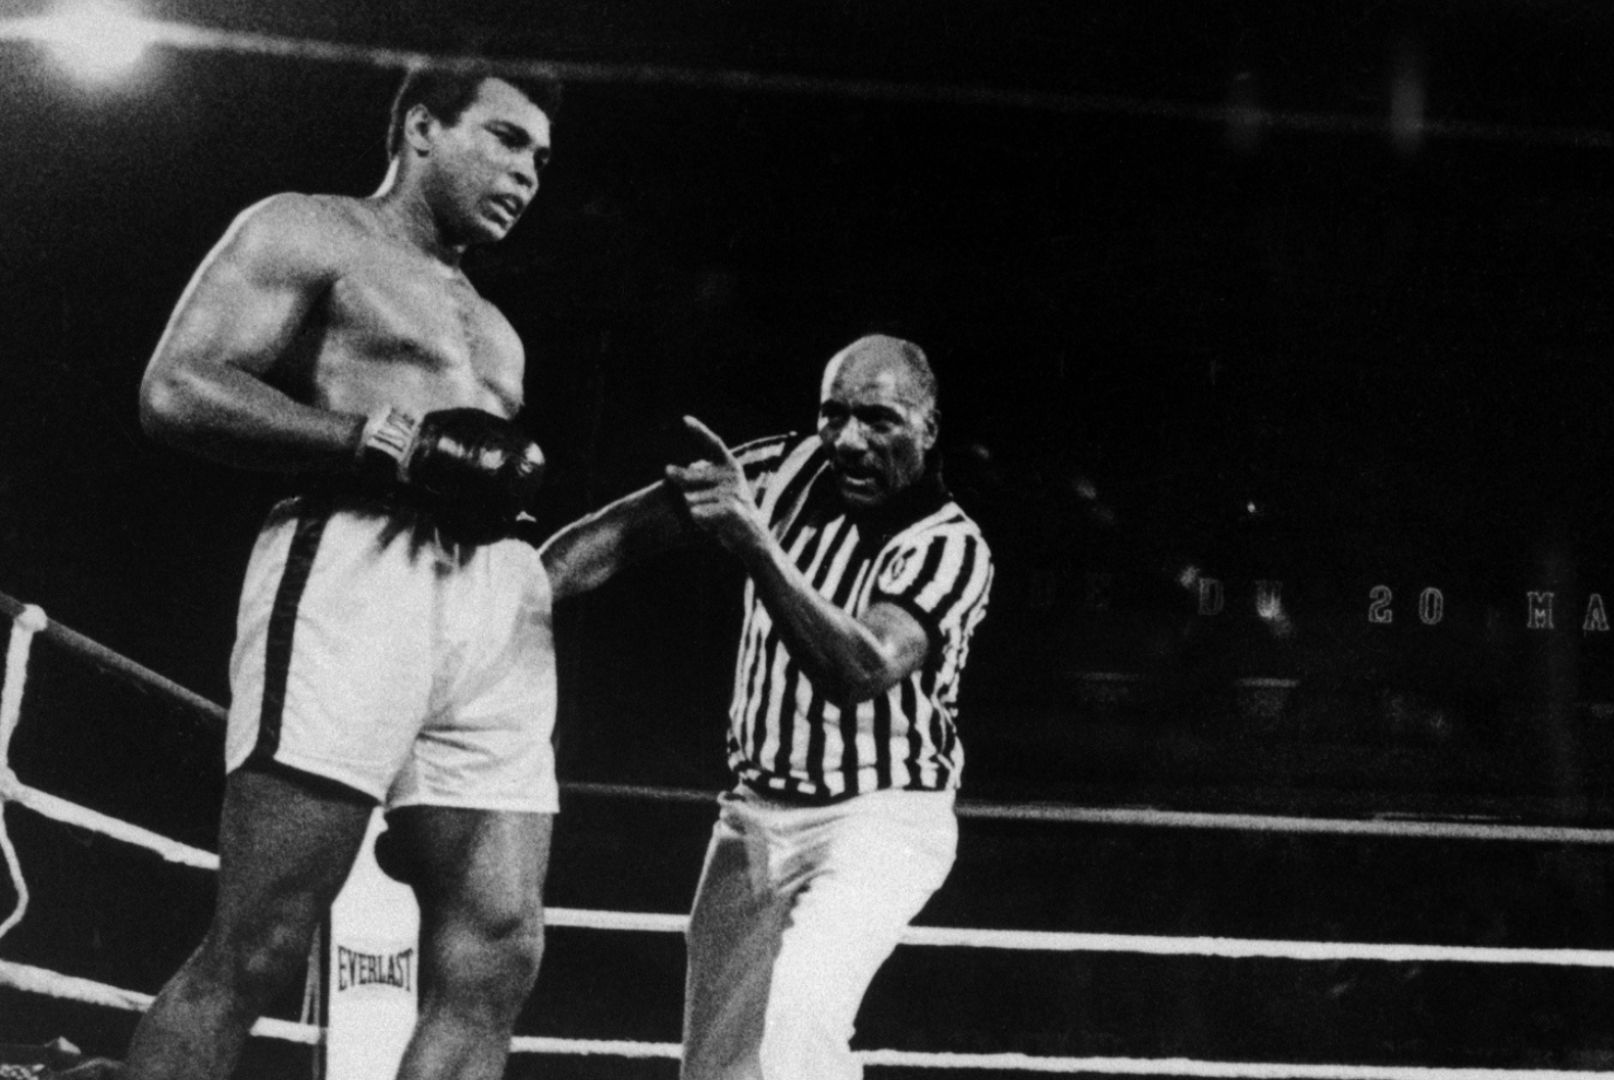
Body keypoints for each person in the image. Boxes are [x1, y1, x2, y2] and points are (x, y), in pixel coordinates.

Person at [123, 65, 561, 1080]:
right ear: (420, 127)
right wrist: (375, 440)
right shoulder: (311, 231)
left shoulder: (495, 326)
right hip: (356, 565)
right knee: (262, 944)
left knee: (499, 957)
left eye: (542, 158)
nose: (528, 172)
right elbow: (178, 387)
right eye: (504, 139)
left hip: (493, 606)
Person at [541, 334, 995, 1080]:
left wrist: (756, 545)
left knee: (802, 1018)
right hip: (753, 815)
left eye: (878, 419)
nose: (849, 440)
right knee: (716, 1066)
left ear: (928, 428)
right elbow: (612, 539)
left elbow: (861, 669)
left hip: (879, 819)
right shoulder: (772, 469)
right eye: (833, 415)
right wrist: (497, 595)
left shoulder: (951, 546)